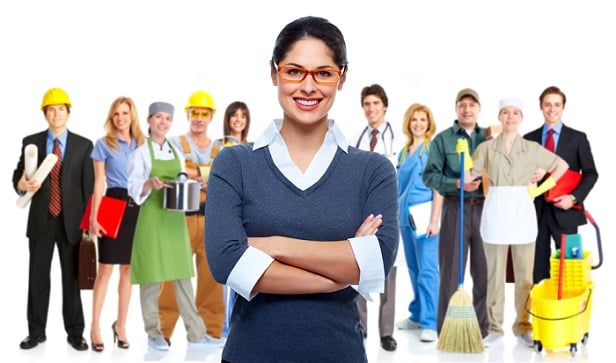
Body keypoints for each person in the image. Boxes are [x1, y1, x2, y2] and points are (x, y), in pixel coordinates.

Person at [204, 16, 399, 363]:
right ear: (274, 73)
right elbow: (226, 263)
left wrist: (273, 245)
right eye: (294, 71)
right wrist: (339, 273)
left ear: (342, 77)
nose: (308, 87)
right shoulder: (234, 165)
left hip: (339, 354)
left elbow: (377, 263)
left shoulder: (373, 171)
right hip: (251, 354)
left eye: (323, 73)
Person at [470, 98, 569, 348]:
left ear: (522, 117)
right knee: (494, 275)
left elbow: (562, 165)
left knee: (525, 276)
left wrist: (542, 187)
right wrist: (464, 164)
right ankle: (494, 328)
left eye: (515, 113)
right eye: (505, 112)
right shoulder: (486, 149)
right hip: (495, 214)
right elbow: (471, 175)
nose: (510, 117)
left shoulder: (532, 148)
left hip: (523, 215)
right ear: (500, 117)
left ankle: (523, 326)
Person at [127, 101, 222, 351]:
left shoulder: (176, 152)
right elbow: (133, 187)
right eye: (158, 117)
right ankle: (153, 332)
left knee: (182, 276)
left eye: (168, 118)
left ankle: (196, 332)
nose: (163, 122)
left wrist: (198, 182)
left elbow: (181, 177)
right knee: (151, 277)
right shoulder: (141, 153)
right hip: (152, 219)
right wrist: (149, 183)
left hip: (175, 221)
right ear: (149, 120)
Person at [12, 87, 94, 351]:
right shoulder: (31, 142)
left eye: (60, 109)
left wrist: (88, 226)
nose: (56, 114)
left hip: (71, 222)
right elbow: (18, 176)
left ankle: (75, 332)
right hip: (41, 219)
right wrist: (21, 183)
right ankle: (36, 332)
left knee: (71, 279)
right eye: (51, 109)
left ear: (68, 112)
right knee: (37, 278)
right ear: (44, 114)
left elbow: (88, 187)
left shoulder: (84, 145)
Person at [422, 88, 491, 341]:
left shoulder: (488, 137)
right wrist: (457, 184)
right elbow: (429, 175)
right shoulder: (443, 140)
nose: (467, 109)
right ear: (456, 108)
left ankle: (483, 331)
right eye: (462, 104)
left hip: (486, 210)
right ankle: (447, 331)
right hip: (455, 208)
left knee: (484, 272)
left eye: (472, 104)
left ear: (479, 109)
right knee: (450, 272)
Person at [160, 90, 225, 344]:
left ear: (211, 117)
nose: (198, 118)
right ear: (187, 115)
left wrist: (194, 172)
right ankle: (162, 331)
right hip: (181, 220)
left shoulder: (221, 148)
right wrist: (206, 172)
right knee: (173, 276)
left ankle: (211, 329)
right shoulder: (175, 144)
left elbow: (225, 179)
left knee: (212, 277)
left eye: (204, 113)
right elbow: (172, 170)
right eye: (194, 113)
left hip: (211, 220)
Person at [524, 86, 599, 284]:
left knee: (569, 269)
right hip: (536, 212)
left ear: (563, 107)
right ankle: (542, 312)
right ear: (541, 107)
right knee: (537, 267)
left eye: (557, 104)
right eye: (547, 104)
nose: (552, 109)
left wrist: (573, 198)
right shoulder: (528, 139)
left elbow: (591, 174)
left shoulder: (577, 138)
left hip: (566, 212)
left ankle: (569, 313)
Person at [348, 83, 403, 351]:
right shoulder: (355, 139)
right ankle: (360, 326)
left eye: (375, 104)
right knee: (359, 268)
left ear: (385, 107)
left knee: (389, 272)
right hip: (361, 213)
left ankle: (386, 333)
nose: (371, 109)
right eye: (367, 104)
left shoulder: (397, 139)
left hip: (387, 211)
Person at [88, 96, 146, 352]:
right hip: (112, 204)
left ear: (132, 115)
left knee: (127, 270)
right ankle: (95, 326)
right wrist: (93, 217)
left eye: (124, 113)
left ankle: (121, 325)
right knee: (105, 270)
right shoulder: (103, 145)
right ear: (111, 118)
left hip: (138, 206)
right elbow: (99, 182)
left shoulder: (144, 144)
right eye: (116, 114)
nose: (120, 118)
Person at [395, 103, 443, 343]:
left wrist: (435, 220)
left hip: (425, 219)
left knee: (427, 270)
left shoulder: (431, 150)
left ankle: (430, 322)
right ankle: (416, 314)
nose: (418, 124)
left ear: (429, 123)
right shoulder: (404, 152)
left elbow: (439, 188)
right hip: (405, 218)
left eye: (423, 119)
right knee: (413, 269)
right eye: (414, 119)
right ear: (408, 122)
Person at [212, 100, 252, 338]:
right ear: (227, 118)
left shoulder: (253, 147)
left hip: (246, 216)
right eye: (234, 115)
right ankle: (221, 325)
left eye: (243, 116)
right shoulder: (217, 146)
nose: (238, 120)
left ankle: (237, 323)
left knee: (242, 272)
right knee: (222, 272)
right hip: (222, 213)